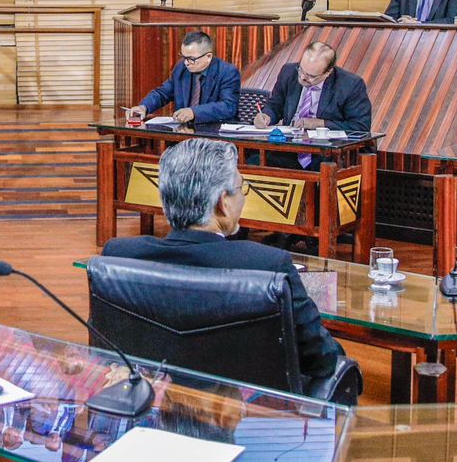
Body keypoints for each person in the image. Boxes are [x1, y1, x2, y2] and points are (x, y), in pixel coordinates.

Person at [102, 139, 350, 389]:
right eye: (242, 188)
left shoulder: (119, 255)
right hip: (249, 413)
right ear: (223, 202)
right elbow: (323, 359)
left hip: (154, 404)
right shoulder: (268, 265)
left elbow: (108, 350)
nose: (243, 197)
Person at [254, 42, 373, 167]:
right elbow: (274, 106)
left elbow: (360, 127)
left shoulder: (350, 85)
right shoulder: (288, 72)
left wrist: (318, 124)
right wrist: (265, 116)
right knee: (255, 161)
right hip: (291, 147)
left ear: (328, 72)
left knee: (323, 166)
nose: (303, 78)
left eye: (311, 76)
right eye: (301, 70)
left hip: (327, 153)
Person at [126, 30, 240, 125]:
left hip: (215, 133)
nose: (186, 63)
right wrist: (144, 106)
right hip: (184, 132)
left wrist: (194, 112)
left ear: (208, 56)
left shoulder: (227, 72)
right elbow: (163, 93)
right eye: (183, 57)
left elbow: (228, 106)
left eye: (191, 59)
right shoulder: (181, 68)